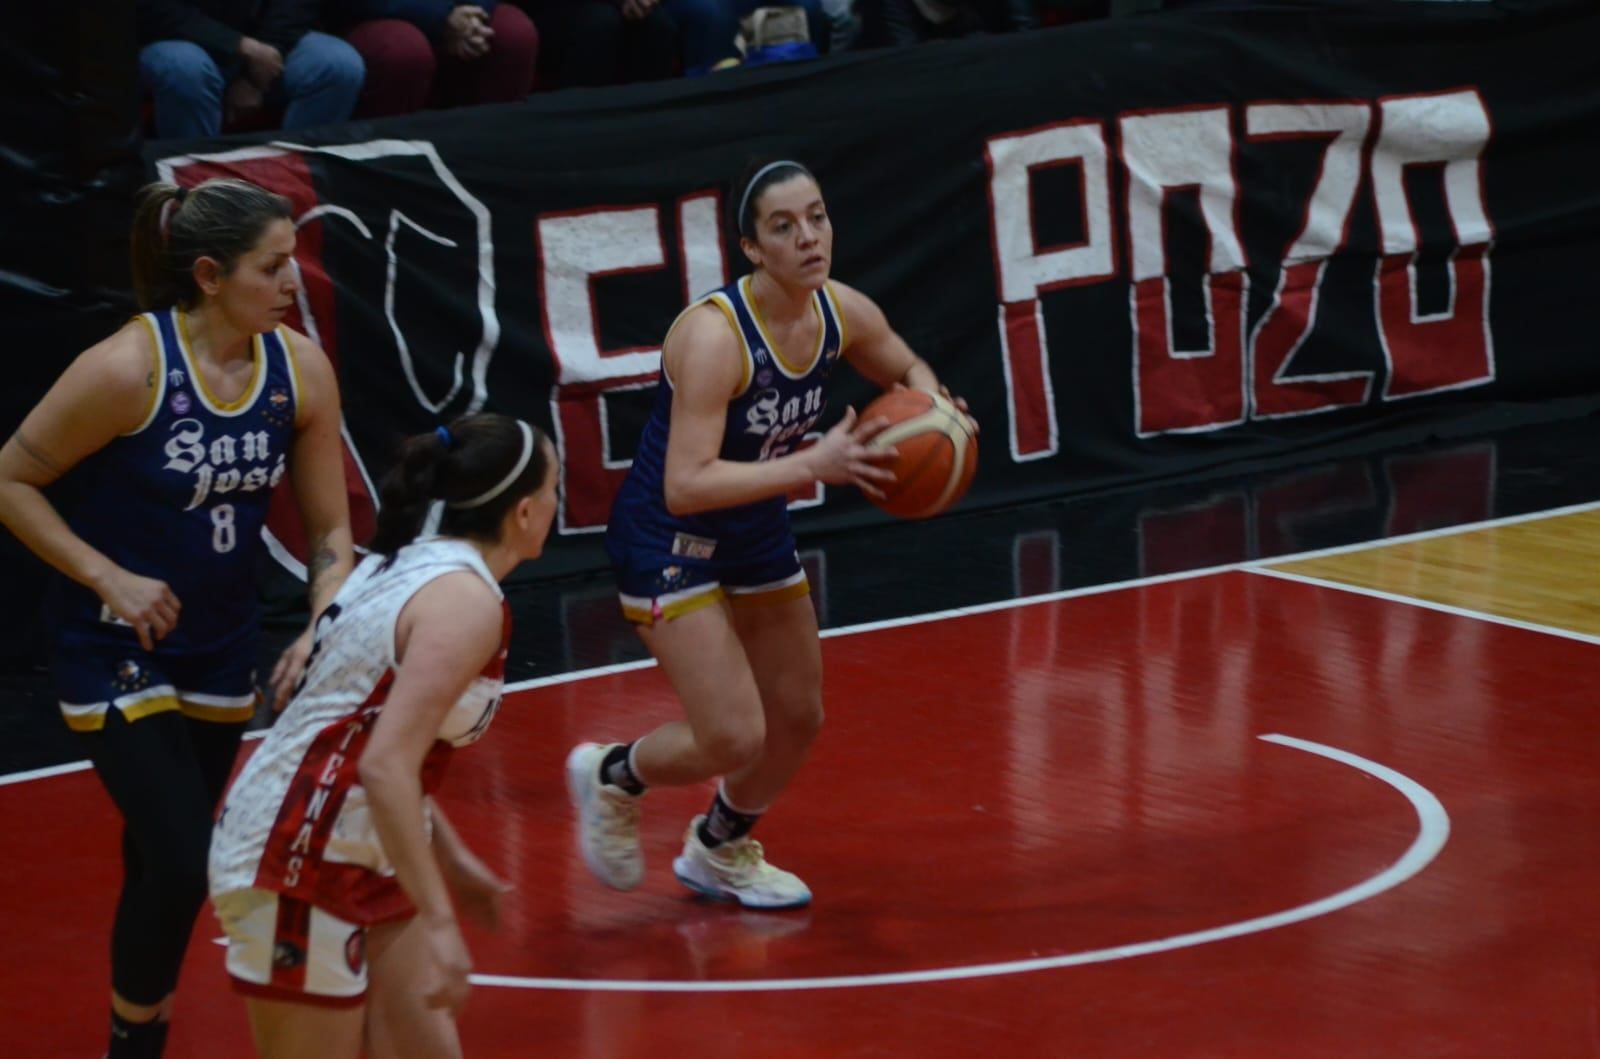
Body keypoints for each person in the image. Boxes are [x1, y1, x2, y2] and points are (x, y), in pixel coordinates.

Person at [0, 178, 355, 1058]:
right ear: (208, 274)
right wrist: (107, 574)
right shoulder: (129, 369)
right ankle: (133, 1045)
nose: (290, 284)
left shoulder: (298, 368)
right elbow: (9, 479)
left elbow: (332, 529)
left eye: (292, 264)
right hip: (109, 639)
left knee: (161, 860)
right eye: (271, 268)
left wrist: (322, 618)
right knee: (182, 844)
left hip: (220, 640)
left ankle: (138, 1024)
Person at [567, 158, 973, 909]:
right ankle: (613, 775)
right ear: (752, 250)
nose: (809, 237)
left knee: (797, 715)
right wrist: (810, 464)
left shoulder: (841, 309)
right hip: (669, 536)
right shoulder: (714, 338)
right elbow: (684, 483)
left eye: (816, 217)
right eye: (784, 227)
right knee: (731, 735)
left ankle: (717, 847)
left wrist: (940, 412)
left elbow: (906, 367)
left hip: (752, 526)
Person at [208, 413, 556, 1058]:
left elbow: (377, 738)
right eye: (555, 490)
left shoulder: (411, 566)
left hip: (363, 840)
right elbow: (385, 765)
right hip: (297, 851)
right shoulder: (464, 601)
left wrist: (450, 859)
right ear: (527, 512)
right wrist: (446, 923)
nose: (557, 506)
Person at [136, 0, 365, 139]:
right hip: (175, 38)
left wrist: (258, 72)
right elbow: (153, 9)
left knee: (338, 65)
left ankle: (296, 180)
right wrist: (237, 45)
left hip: (262, 36)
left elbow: (294, 7)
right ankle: (198, 196)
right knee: (184, 68)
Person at [336, 0, 540, 116]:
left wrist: (473, 16)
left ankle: (491, 155)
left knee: (513, 34)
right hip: (381, 13)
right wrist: (441, 19)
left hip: (456, 11)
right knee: (404, 51)